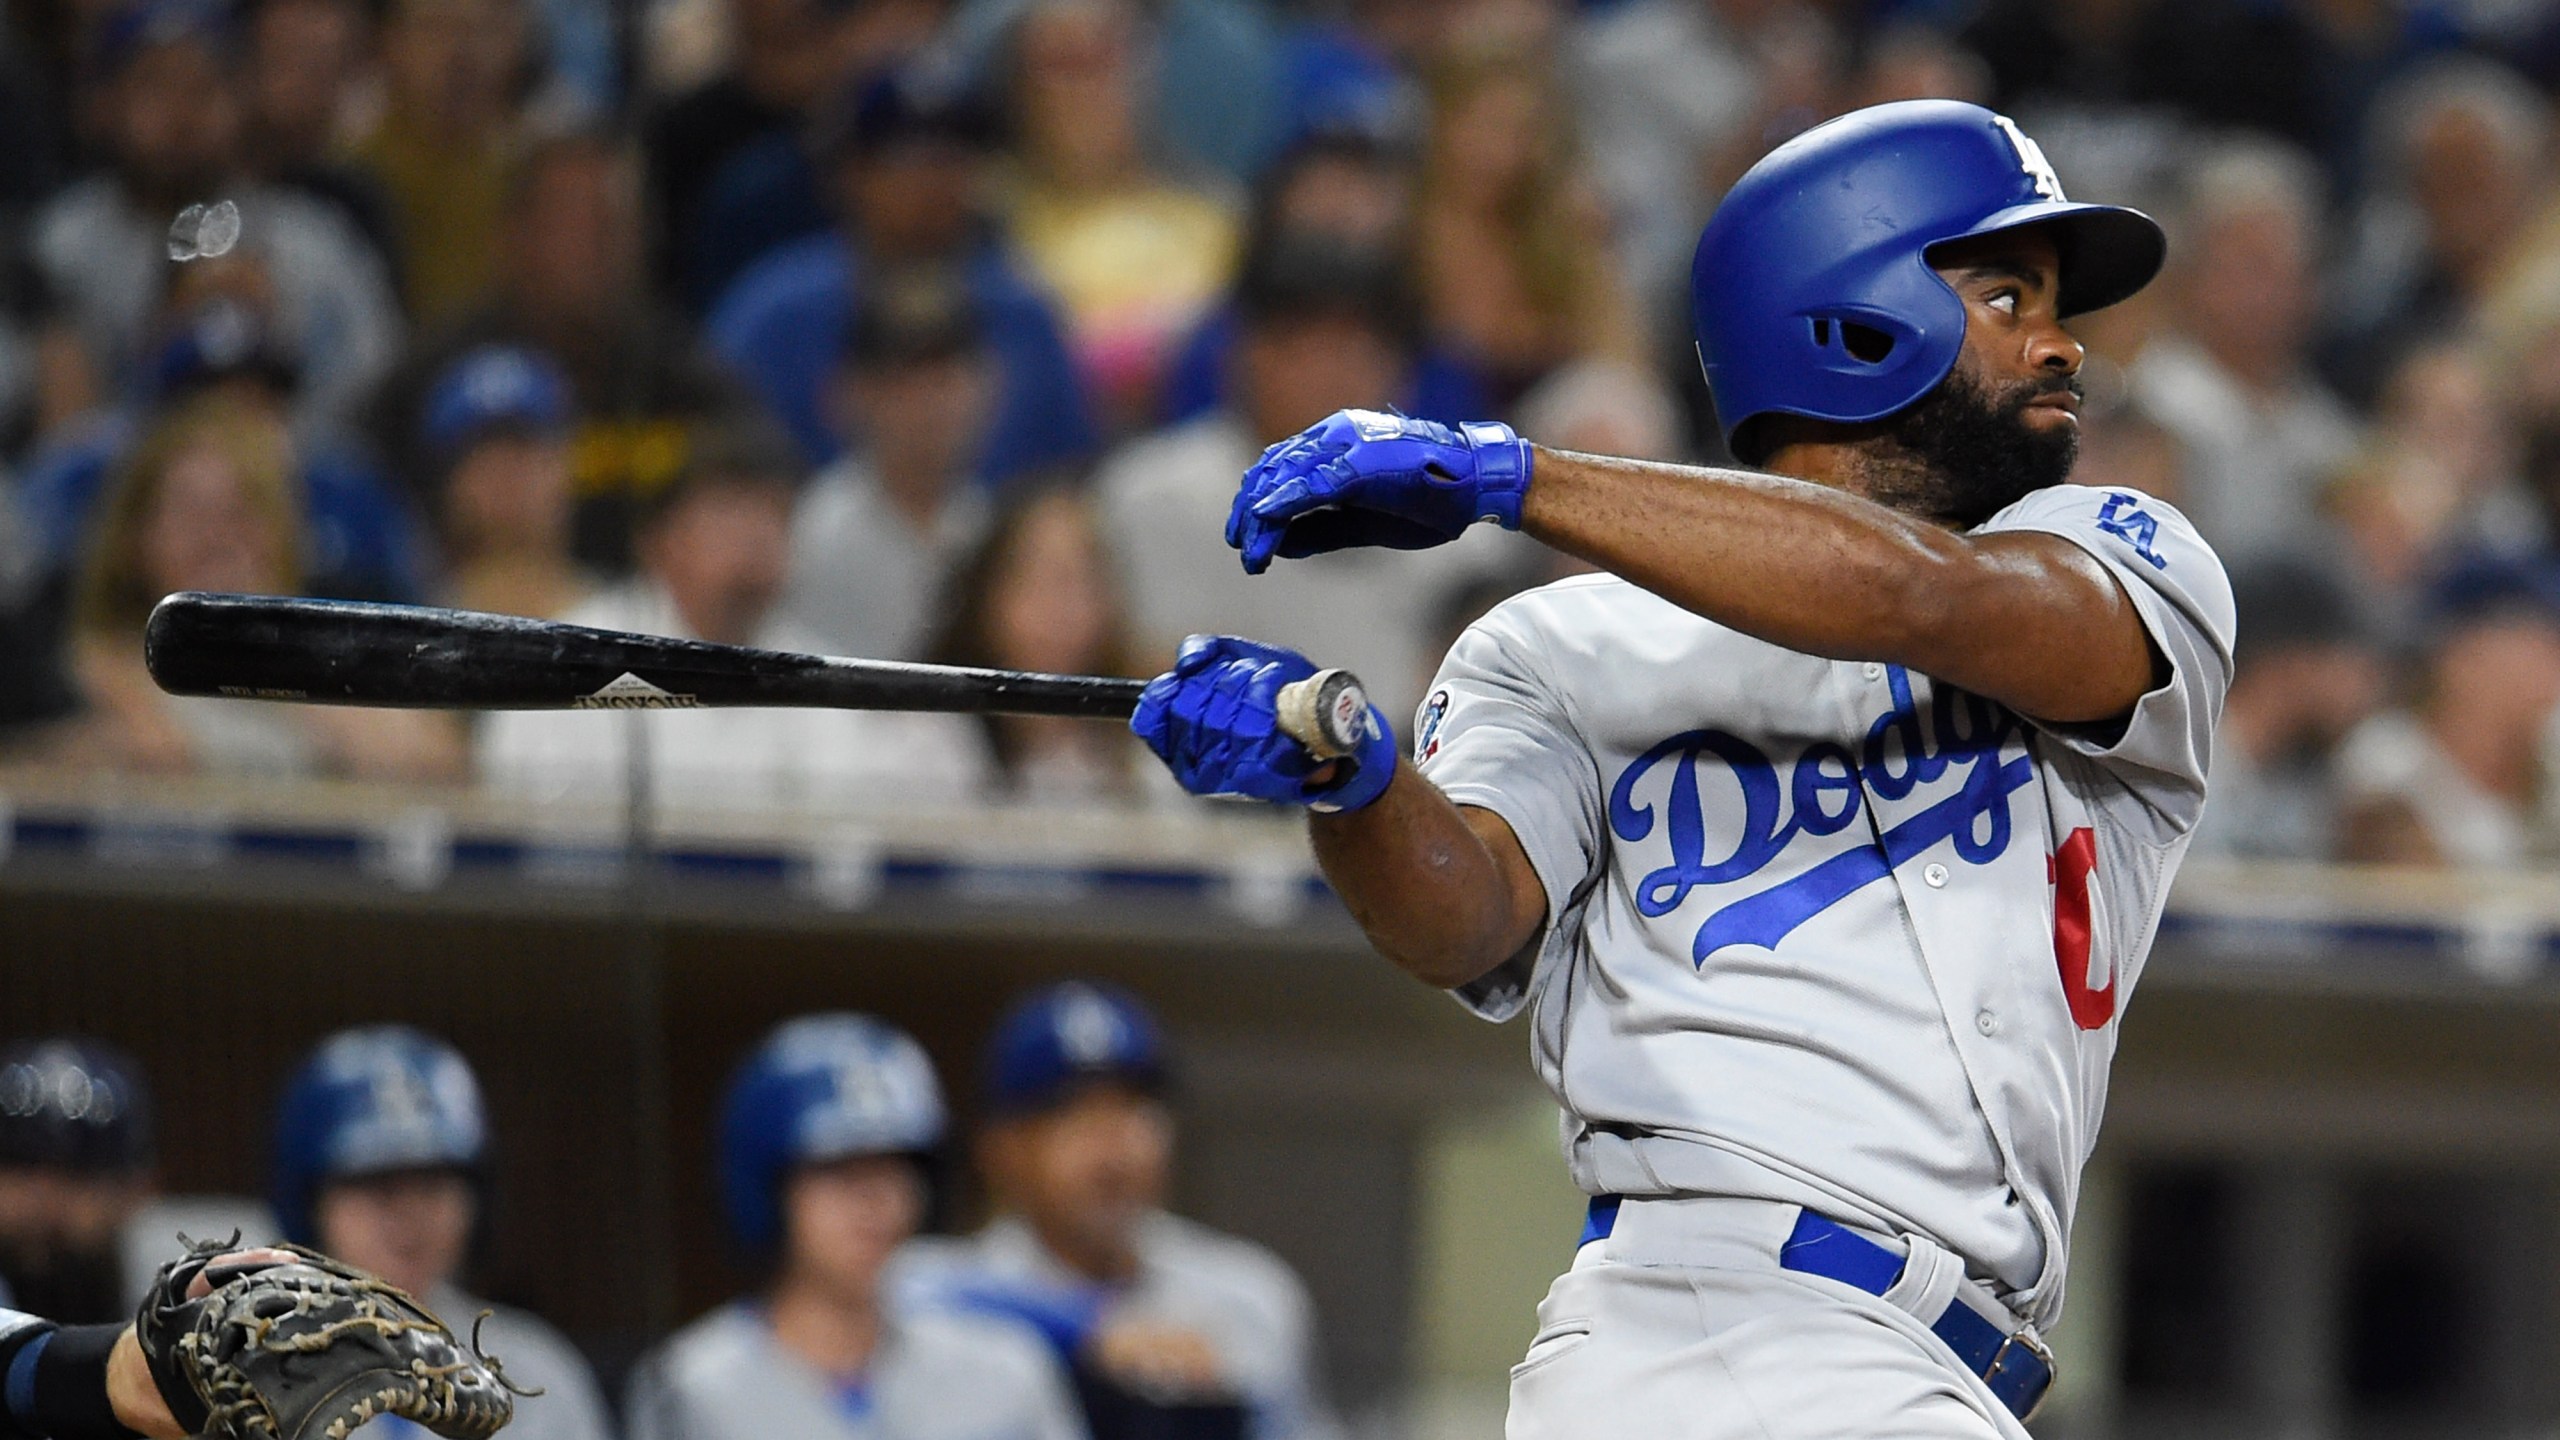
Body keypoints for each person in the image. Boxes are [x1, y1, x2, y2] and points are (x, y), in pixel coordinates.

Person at [1128, 100, 2230, 1438]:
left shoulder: (2119, 560)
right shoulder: (1564, 642)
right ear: (1853, 315)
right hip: (1684, 1324)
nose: (2063, 345)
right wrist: (1351, 778)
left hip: (1944, 1363)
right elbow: (1463, 917)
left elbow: (1915, 599)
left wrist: (1506, 475)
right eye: (2008, 296)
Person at [1095, 236, 1527, 722]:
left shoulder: (1467, 527)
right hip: (1195, 788)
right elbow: (1142, 672)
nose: (1326, 375)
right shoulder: (1150, 495)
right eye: (1301, 349)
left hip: (1406, 782)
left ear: (1402, 371)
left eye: (1351, 351)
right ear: (1243, 355)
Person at [895, 983, 1339, 1440]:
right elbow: (899, 1284)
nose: (1111, 1148)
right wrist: (1090, 1329)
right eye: (1074, 1114)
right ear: (1002, 1149)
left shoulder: (1248, 1296)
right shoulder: (949, 1297)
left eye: (1132, 1109)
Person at [475, 419, 980, 810]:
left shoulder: (822, 678)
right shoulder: (578, 653)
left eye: (772, 515)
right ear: (660, 541)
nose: (755, 538)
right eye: (729, 512)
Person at [625, 1013, 1086, 1440]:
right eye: (840, 1170)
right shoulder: (690, 1387)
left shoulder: (1006, 1370)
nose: (874, 1202)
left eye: (893, 1169)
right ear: (769, 1189)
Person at [30, 0, 403, 438]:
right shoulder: (56, 246)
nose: (180, 112)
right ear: (107, 101)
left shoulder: (313, 244)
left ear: (243, 96)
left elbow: (377, 391)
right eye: (155, 85)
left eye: (204, 86)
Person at [707, 69, 1097, 480]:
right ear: (849, 173)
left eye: (953, 157)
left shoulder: (1023, 313)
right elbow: (720, 470)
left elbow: (1073, 479)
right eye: (907, 159)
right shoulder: (775, 314)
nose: (933, 182)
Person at [67, 394, 463, 780]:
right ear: (136, 538)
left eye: (240, 513)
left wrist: (277, 660)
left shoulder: (329, 654)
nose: (216, 538)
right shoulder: (84, 672)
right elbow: (157, 761)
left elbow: (435, 761)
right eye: (189, 512)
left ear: (282, 535)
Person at [269, 1026, 612, 1440]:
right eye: (380, 1188)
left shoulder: (539, 1373)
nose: (410, 1215)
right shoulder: (257, 1375)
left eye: (432, 1185)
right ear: (309, 1205)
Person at [781, 267, 1001, 661]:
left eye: (944, 379)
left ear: (984, 386)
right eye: (901, 383)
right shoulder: (810, 538)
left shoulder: (991, 528)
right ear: (851, 394)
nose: (927, 405)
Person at [920, 487, 1148, 804]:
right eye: (1036, 578)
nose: (1060, 609)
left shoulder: (1135, 760)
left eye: (1079, 582)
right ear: (987, 593)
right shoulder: (925, 741)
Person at [410, 345, 595, 621]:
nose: (506, 476)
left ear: (565, 465)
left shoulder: (645, 617)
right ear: (449, 485)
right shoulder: (410, 625)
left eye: (524, 451)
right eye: (483, 456)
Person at [0, 1042, 155, 1324]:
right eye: (22, 1166)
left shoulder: (187, 1289)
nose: (43, 1196)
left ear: (136, 1190)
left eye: (73, 1174)